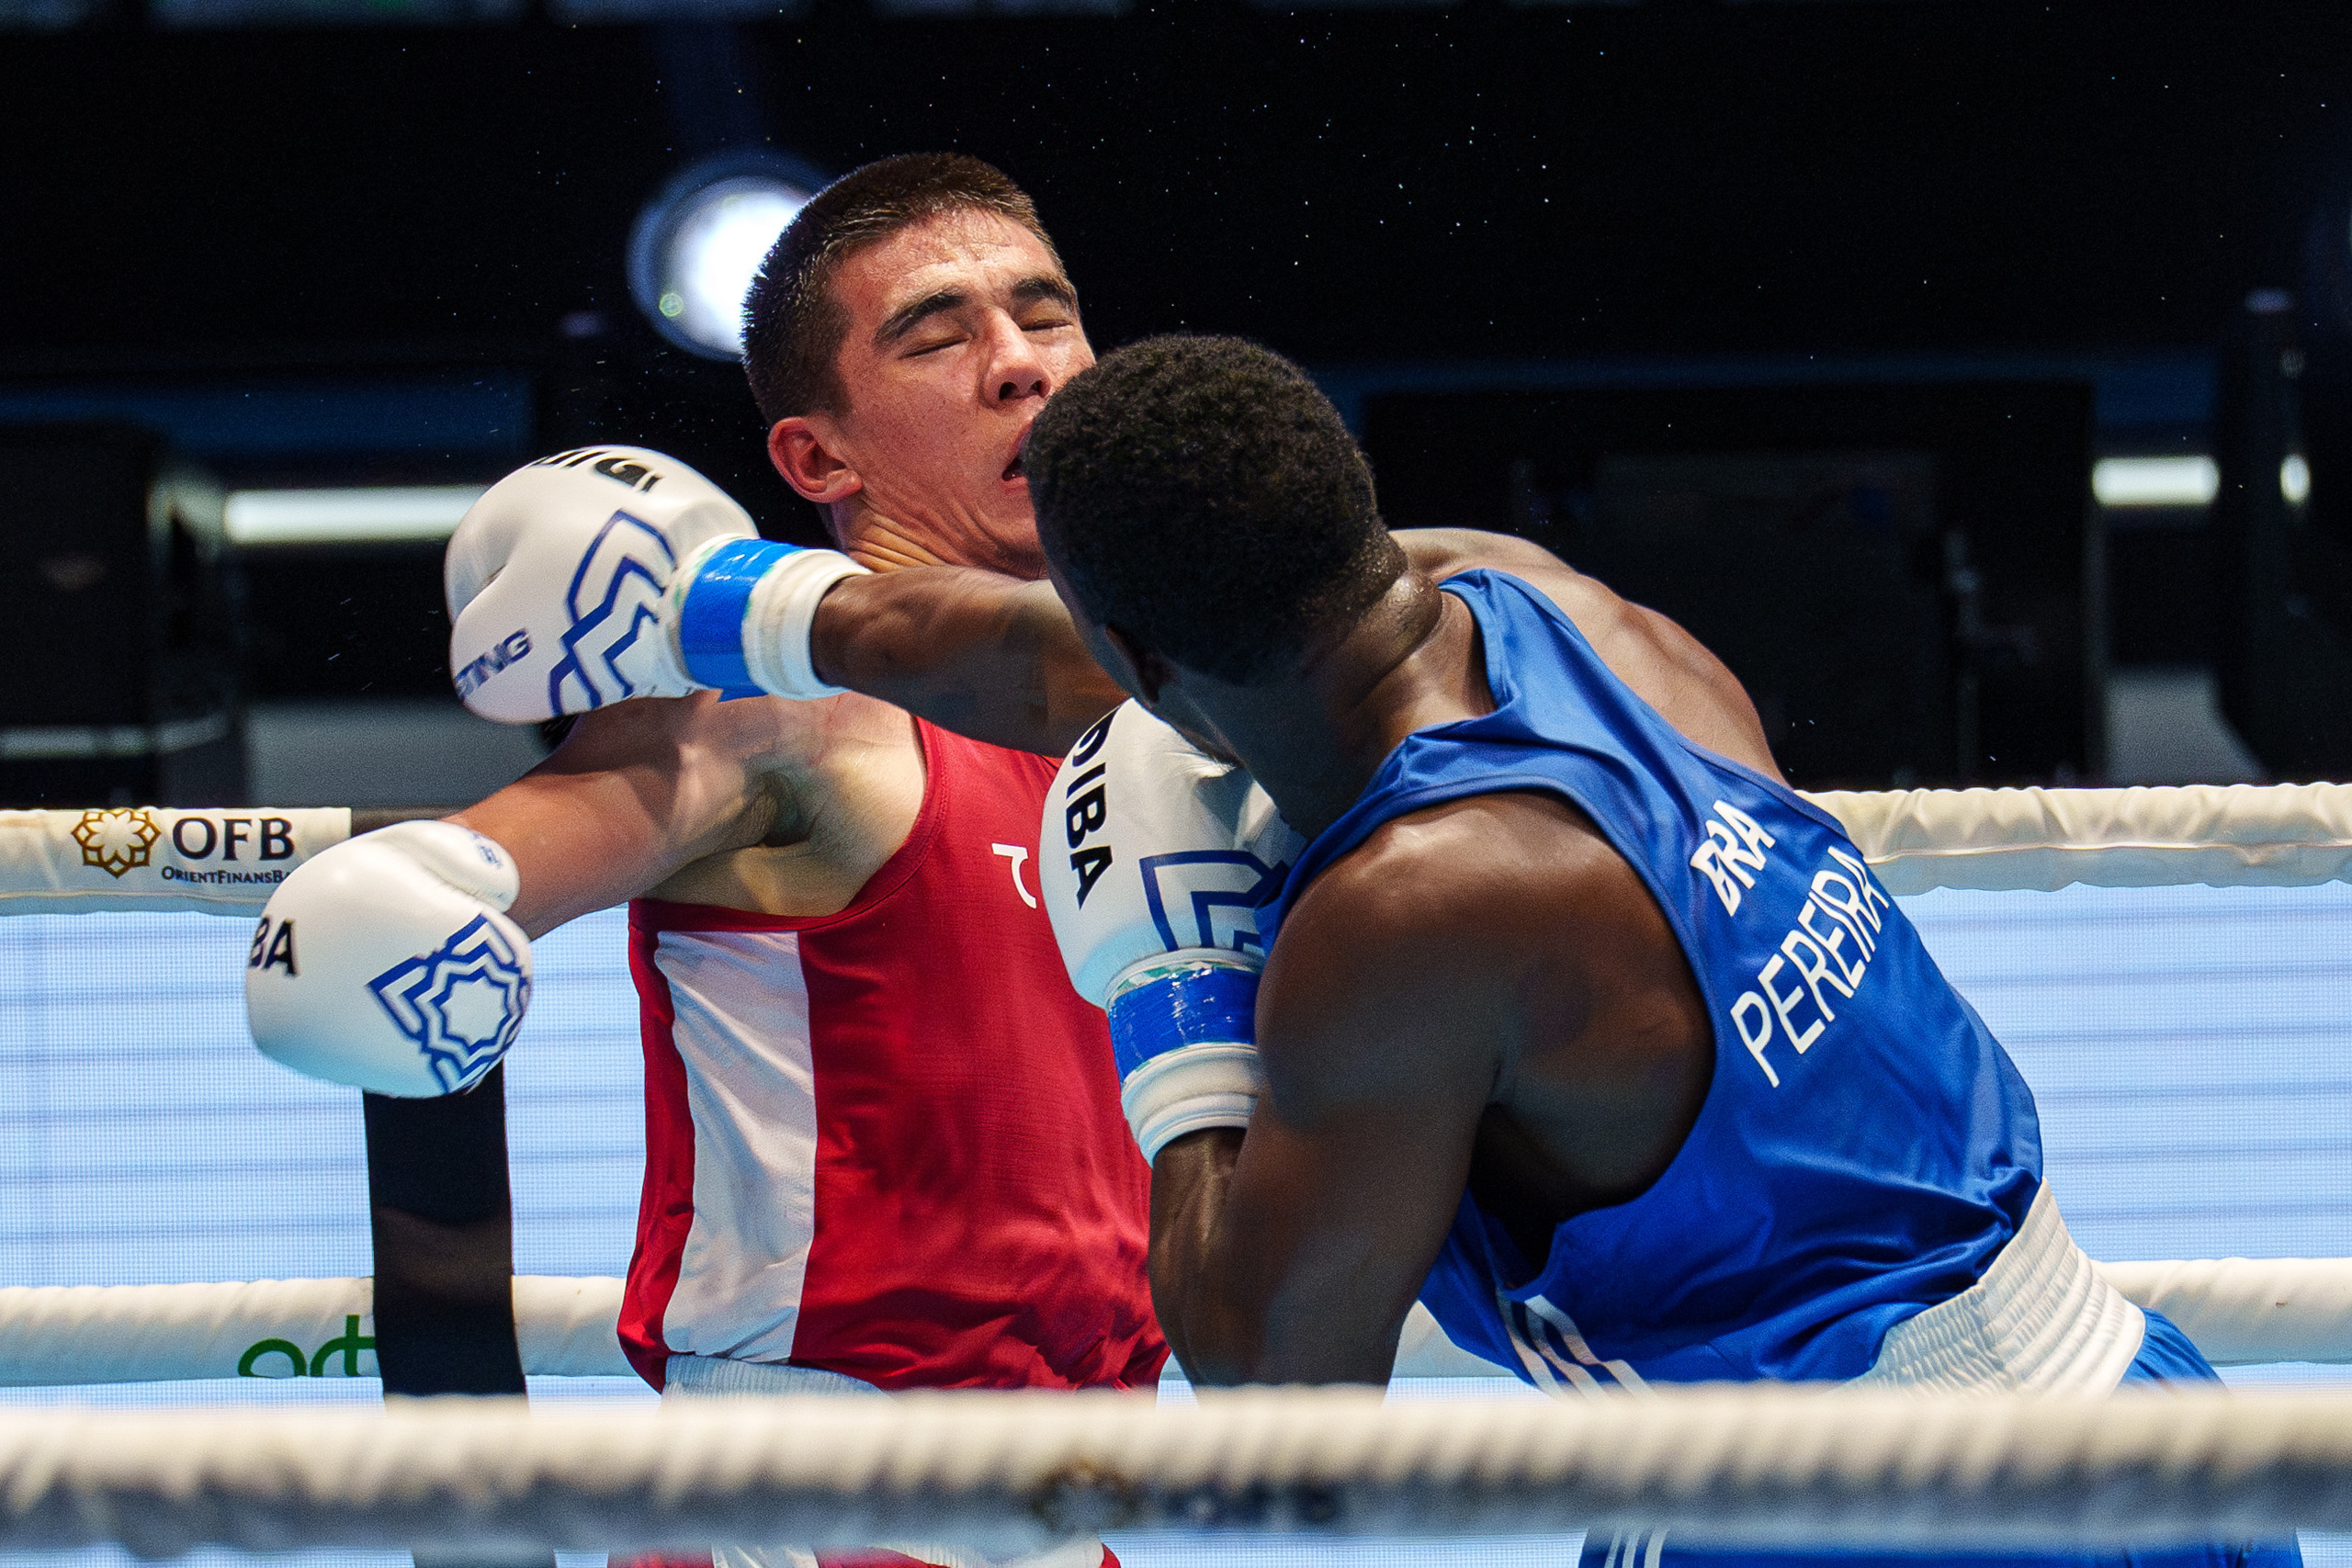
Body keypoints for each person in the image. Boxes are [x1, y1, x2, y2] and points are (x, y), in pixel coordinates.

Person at [1005, 333, 2298, 1568]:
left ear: (1132, 660)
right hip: (2156, 1420)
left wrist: (1170, 988)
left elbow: (1278, 1436)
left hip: (1849, 1510)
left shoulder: (1408, 910)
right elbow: (989, 650)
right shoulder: (1584, 623)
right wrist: (794, 604)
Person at [244, 154, 1159, 1568]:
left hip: (1079, 1502)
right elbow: (470, 876)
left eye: (1047, 316)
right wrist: (420, 899)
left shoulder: (1165, 734)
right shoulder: (787, 722)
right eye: (939, 334)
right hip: (816, 1500)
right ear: (816, 460)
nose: (1021, 367)